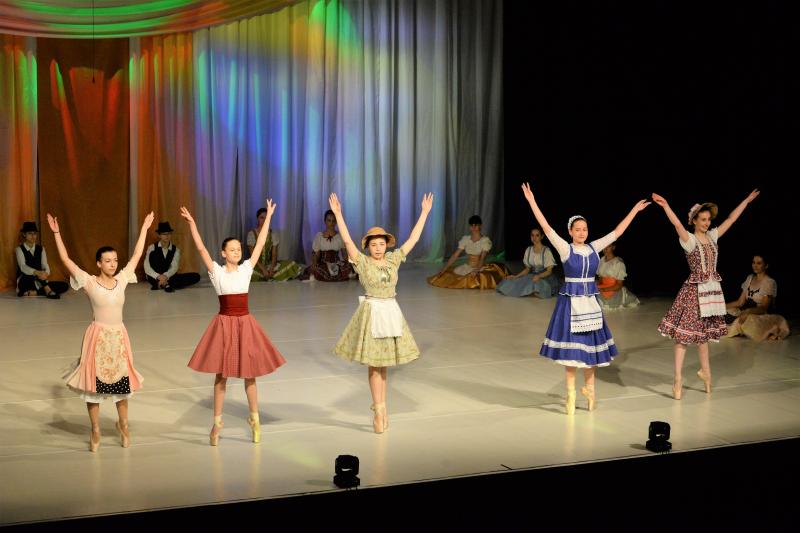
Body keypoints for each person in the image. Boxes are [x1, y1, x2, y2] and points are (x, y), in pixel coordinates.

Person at [522, 182, 650, 414]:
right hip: (570, 304)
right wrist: (532, 201)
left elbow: (617, 232)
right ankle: (571, 395)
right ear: (570, 232)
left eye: (585, 229)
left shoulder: (594, 248)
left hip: (590, 304)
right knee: (571, 353)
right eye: (578, 229)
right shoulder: (565, 248)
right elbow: (546, 227)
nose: (582, 232)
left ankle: (590, 392)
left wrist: (634, 210)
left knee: (591, 351)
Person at [47, 211, 154, 451]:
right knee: (94, 388)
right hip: (98, 338)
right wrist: (56, 233)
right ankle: (95, 429)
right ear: (98, 263)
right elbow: (66, 259)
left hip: (119, 338)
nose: (113, 264)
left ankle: (123, 424)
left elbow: (137, 255)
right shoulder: (89, 282)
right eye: (107, 261)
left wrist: (145, 229)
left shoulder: (123, 279)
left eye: (115, 260)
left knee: (121, 385)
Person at [181, 201, 286, 446]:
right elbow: (201, 248)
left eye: (239, 248)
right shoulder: (216, 272)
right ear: (223, 253)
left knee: (250, 374)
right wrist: (193, 224)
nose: (237, 251)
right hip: (225, 325)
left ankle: (255, 419)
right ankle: (217, 422)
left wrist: (269, 217)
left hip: (245, 324)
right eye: (232, 249)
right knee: (221, 376)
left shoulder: (246, 269)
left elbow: (260, 244)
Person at [330, 192, 433, 433]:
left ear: (387, 245)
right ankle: (378, 411)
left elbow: (413, 239)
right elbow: (347, 242)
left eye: (381, 244)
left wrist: (425, 213)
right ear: (368, 246)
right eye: (374, 244)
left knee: (384, 365)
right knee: (374, 365)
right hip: (372, 313)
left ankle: (382, 407)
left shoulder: (393, 260)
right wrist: (338, 215)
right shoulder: (363, 262)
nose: (378, 248)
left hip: (391, 312)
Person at [653, 189, 760, 399]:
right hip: (693, 293)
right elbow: (677, 225)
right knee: (683, 337)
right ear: (694, 221)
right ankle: (677, 379)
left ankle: (706, 373)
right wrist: (666, 206)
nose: (707, 223)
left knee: (703, 337)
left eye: (708, 219)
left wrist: (746, 201)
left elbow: (731, 219)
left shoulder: (712, 237)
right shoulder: (690, 240)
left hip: (710, 293)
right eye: (703, 219)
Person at [427, 215, 509, 289]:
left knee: (480, 278)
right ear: (469, 227)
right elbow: (455, 255)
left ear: (480, 226)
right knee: (450, 276)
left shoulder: (485, 241)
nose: (474, 227)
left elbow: (482, 259)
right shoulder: (466, 239)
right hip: (467, 267)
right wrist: (444, 269)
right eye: (472, 225)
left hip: (479, 267)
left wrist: (476, 270)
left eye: (476, 225)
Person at [725, 254, 789, 341]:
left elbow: (763, 308)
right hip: (747, 311)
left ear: (766, 266)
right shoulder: (750, 278)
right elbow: (740, 302)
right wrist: (721, 307)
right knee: (728, 310)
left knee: (747, 319)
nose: (755, 266)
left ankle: (740, 328)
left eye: (759, 263)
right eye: (753, 262)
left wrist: (748, 311)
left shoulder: (769, 282)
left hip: (760, 315)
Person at [496, 227, 558, 298]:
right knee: (514, 282)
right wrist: (516, 276)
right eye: (532, 235)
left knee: (536, 285)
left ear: (542, 237)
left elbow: (549, 271)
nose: (534, 238)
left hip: (544, 276)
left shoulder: (546, 251)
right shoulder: (529, 250)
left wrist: (539, 276)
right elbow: (527, 269)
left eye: (537, 235)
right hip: (533, 275)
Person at [15, 221, 68, 299]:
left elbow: (45, 264)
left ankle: (34, 292)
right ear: (24, 234)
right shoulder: (19, 249)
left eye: (34, 233)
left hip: (39, 280)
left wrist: (46, 273)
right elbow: (23, 266)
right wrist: (36, 272)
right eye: (30, 233)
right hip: (26, 279)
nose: (33, 236)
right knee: (29, 276)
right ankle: (47, 290)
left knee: (64, 286)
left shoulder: (41, 249)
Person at [246, 208, 302, 281]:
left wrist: (272, 268)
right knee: (248, 271)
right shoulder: (252, 234)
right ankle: (270, 276)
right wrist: (263, 269)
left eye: (267, 218)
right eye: (262, 218)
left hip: (269, 264)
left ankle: (269, 275)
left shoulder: (273, 234)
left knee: (291, 264)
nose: (264, 220)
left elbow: (274, 255)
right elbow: (253, 256)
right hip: (257, 265)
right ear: (257, 219)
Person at [299, 209, 355, 282]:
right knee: (316, 269)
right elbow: (316, 255)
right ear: (325, 221)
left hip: (336, 263)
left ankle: (344, 273)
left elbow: (344, 255)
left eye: (333, 221)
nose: (331, 223)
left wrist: (348, 264)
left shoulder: (340, 237)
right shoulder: (319, 236)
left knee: (350, 266)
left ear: (336, 222)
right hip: (324, 264)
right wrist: (314, 263)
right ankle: (319, 275)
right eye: (329, 220)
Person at [144, 221, 200, 292]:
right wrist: (158, 276)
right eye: (164, 234)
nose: (167, 236)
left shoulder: (176, 250)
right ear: (159, 235)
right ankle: (167, 284)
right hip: (155, 276)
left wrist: (165, 276)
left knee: (196, 276)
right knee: (153, 255)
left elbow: (174, 267)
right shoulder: (151, 247)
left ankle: (161, 284)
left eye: (169, 233)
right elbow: (147, 266)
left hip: (169, 276)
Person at [596, 243, 640, 310]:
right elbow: (600, 278)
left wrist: (603, 290)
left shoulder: (618, 262)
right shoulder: (601, 260)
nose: (605, 249)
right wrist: (595, 285)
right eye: (604, 246)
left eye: (608, 246)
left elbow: (619, 285)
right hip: (603, 286)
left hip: (613, 289)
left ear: (613, 247)